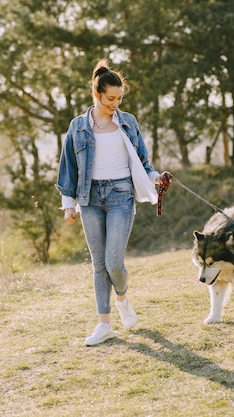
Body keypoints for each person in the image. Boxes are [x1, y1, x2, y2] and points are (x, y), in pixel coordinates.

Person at [56, 59, 172, 346]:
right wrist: (68, 203)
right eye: (110, 98)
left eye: (120, 98)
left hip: (121, 195)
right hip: (90, 198)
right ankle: (104, 324)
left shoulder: (128, 121)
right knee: (98, 265)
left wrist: (156, 177)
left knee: (114, 262)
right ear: (97, 94)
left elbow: (143, 160)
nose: (116, 104)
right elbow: (68, 166)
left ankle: (122, 299)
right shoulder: (78, 127)